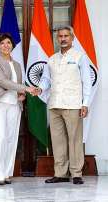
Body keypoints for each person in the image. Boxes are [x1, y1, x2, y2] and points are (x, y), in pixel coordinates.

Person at [36, 26, 92, 185]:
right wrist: (40, 88)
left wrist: (85, 103)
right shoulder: (52, 59)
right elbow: (46, 79)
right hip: (54, 104)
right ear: (57, 39)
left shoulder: (80, 56)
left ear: (72, 38)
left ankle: (76, 173)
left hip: (73, 104)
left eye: (66, 36)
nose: (63, 39)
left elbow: (86, 81)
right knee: (57, 141)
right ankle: (60, 173)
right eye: (60, 36)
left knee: (74, 140)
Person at [0, 33, 36, 185]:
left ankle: (6, 173)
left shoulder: (18, 65)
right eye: (2, 43)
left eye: (8, 43)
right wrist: (26, 88)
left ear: (12, 45)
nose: (6, 45)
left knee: (11, 140)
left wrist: (22, 94)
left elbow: (16, 85)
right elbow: (2, 81)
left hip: (14, 105)